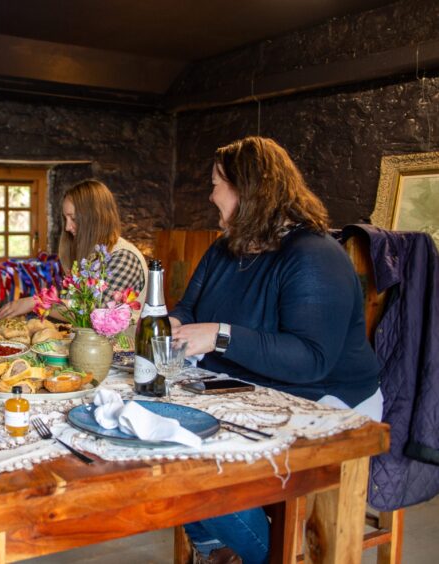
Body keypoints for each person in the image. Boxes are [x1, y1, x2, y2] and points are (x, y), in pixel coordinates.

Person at [170, 137, 381, 563]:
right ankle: (218, 549)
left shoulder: (314, 254)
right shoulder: (223, 249)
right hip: (245, 388)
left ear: (247, 190)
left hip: (325, 399)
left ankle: (267, 555)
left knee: (204, 466)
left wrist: (218, 335)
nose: (210, 195)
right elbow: (189, 308)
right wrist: (171, 325)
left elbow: (309, 359)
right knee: (166, 442)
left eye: (216, 185)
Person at [0, 179, 147, 318]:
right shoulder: (92, 257)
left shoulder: (124, 257)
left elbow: (95, 314)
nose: (68, 227)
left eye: (74, 219)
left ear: (95, 217)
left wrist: (38, 302)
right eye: (66, 219)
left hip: (124, 347)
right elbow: (72, 305)